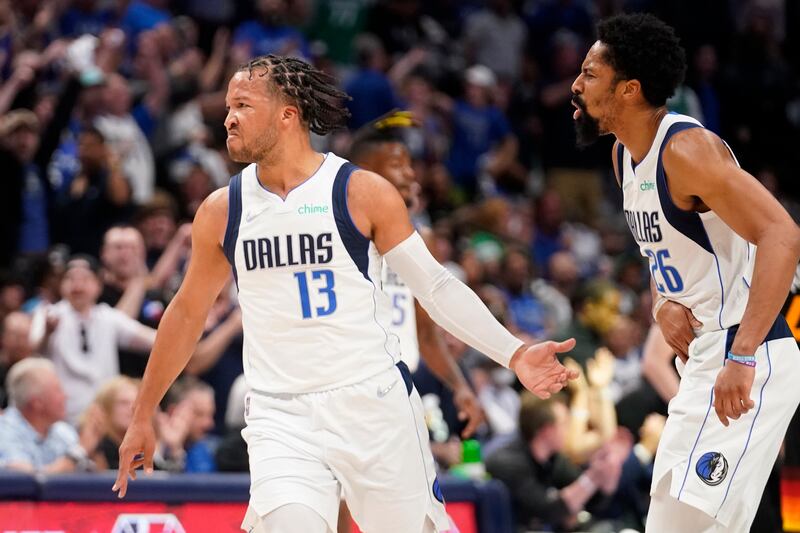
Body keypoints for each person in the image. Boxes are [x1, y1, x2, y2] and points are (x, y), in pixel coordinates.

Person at [113, 54, 578, 533]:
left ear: (287, 115)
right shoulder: (221, 210)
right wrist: (143, 412)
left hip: (373, 404)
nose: (227, 117)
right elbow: (187, 313)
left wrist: (514, 353)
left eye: (242, 105)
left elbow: (435, 287)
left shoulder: (360, 192)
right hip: (280, 413)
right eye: (229, 106)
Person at [570, 13, 800, 532]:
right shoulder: (623, 158)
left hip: (749, 356)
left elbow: (782, 235)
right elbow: (667, 253)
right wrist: (661, 303)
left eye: (589, 74)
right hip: (703, 361)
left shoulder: (687, 150)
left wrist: (742, 353)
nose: (575, 86)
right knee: (669, 522)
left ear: (629, 89)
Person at [348, 110, 483, 438]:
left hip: (399, 389)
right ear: (364, 173)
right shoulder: (340, 233)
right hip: (350, 392)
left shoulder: (422, 239)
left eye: (411, 164)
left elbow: (425, 332)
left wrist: (459, 386)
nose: (411, 175)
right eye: (398, 164)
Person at [0, 357, 102, 473]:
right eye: (58, 390)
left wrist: (94, 448)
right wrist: (79, 451)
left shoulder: (63, 431)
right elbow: (27, 481)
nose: (65, 396)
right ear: (37, 403)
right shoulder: (4, 430)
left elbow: (89, 477)